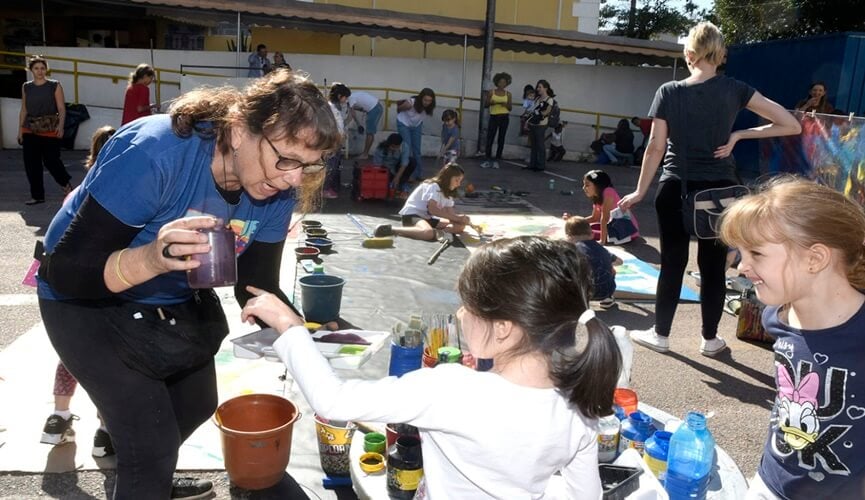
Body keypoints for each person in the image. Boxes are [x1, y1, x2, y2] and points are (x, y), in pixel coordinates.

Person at [36, 70, 341, 499]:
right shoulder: (157, 151)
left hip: (167, 299)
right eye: (287, 158)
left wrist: (304, 332)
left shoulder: (275, 190)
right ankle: (147, 473)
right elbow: (68, 271)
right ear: (238, 131)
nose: (294, 178)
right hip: (81, 298)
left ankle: (145, 477)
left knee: (196, 404)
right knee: (151, 443)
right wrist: (151, 258)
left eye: (309, 166)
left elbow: (255, 283)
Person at [240, 235, 622, 498]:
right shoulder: (580, 404)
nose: (459, 313)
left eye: (468, 306)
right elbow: (585, 495)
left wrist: (290, 328)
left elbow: (334, 401)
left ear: (503, 328)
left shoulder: (451, 389)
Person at [619, 22, 801, 357]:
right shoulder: (736, 88)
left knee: (672, 263)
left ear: (689, 54)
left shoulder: (669, 91)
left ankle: (661, 335)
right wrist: (739, 135)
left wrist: (640, 191)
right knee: (713, 267)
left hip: (675, 187)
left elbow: (655, 148)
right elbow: (791, 124)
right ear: (720, 55)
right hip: (721, 192)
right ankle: (710, 339)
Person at [718, 177, 865, 499]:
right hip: (770, 484)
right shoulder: (777, 318)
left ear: (815, 258)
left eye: (756, 253)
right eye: (741, 253)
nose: (742, 267)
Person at [41, 125, 117, 458]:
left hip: (60, 287)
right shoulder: (121, 190)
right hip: (100, 286)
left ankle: (58, 417)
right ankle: (105, 430)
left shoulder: (77, 192)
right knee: (108, 361)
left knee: (70, 355)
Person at [17, 55, 73, 206]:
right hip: (30, 129)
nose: (40, 71)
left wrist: (60, 126)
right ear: (31, 70)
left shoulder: (54, 85)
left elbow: (61, 108)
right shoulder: (26, 86)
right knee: (31, 164)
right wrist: (20, 131)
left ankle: (66, 185)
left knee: (51, 161)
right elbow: (24, 110)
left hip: (49, 128)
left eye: (42, 68)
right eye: (36, 68)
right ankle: (37, 196)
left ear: (46, 69)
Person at [373, 162, 470, 241]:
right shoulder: (434, 186)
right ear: (448, 178)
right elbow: (433, 210)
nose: (458, 184)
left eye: (460, 181)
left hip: (426, 217)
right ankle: (391, 229)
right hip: (412, 215)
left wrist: (460, 219)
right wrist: (456, 218)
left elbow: (450, 214)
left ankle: (436, 232)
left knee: (460, 226)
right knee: (427, 233)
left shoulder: (448, 193)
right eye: (457, 180)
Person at [564, 215, 623, 309]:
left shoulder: (572, 250)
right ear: (592, 234)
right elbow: (620, 262)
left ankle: (576, 301)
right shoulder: (600, 249)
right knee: (612, 270)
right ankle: (607, 299)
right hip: (604, 291)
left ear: (569, 237)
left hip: (585, 293)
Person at [581, 169, 640, 245]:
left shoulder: (608, 191)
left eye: (587, 185)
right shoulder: (597, 197)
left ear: (598, 185)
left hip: (627, 231)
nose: (583, 188)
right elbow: (595, 218)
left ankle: (604, 238)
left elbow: (605, 218)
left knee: (584, 231)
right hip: (615, 226)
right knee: (588, 227)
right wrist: (575, 222)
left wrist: (602, 241)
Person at [396, 88, 436, 181]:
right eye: (425, 100)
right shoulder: (411, 103)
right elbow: (399, 108)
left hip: (416, 125)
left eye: (429, 101)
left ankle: (418, 174)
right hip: (403, 124)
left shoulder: (430, 106)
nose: (427, 102)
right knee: (407, 147)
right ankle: (405, 174)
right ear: (420, 98)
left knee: (417, 150)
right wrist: (403, 118)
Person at [323, 82, 350, 199]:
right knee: (330, 167)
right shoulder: (331, 108)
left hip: (336, 142)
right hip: (332, 143)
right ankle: (324, 190)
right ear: (340, 96)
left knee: (333, 166)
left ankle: (327, 188)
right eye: (346, 97)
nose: (346, 99)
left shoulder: (336, 107)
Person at [481, 72, 512, 169]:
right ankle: (487, 158)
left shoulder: (508, 94)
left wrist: (505, 105)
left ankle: (498, 159)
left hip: (504, 117)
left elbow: (510, 107)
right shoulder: (491, 92)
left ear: (506, 83)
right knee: (490, 137)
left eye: (504, 82)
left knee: (501, 138)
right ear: (497, 82)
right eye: (500, 82)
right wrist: (491, 102)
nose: (502, 84)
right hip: (494, 116)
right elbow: (485, 105)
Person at [524, 80, 555, 172]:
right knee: (533, 144)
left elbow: (547, 111)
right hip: (533, 123)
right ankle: (532, 164)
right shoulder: (537, 99)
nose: (538, 89)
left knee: (540, 144)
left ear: (546, 88)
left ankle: (541, 165)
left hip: (541, 124)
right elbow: (532, 109)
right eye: (537, 87)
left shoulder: (549, 99)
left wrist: (539, 113)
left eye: (540, 87)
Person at [372, 133, 415, 198]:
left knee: (412, 161)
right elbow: (377, 166)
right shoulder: (381, 148)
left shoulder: (404, 147)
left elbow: (404, 163)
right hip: (386, 170)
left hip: (397, 168)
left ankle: (402, 183)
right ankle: (394, 184)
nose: (393, 149)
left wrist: (397, 177)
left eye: (396, 147)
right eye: (392, 146)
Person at [346, 90, 383, 159]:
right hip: (375, 108)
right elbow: (358, 109)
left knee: (370, 132)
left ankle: (365, 155)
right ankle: (365, 154)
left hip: (374, 109)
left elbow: (352, 114)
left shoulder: (350, 98)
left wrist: (358, 124)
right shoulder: (353, 96)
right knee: (370, 132)